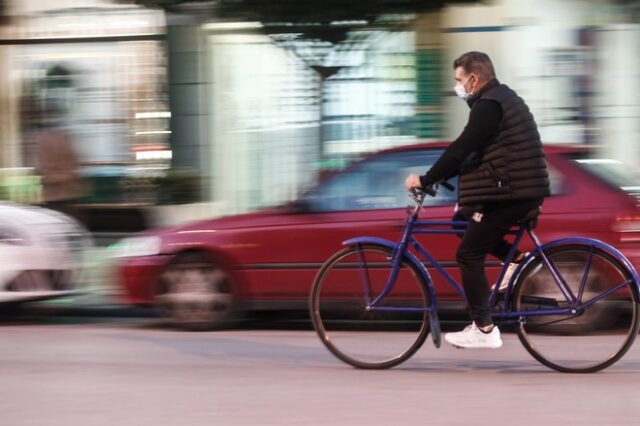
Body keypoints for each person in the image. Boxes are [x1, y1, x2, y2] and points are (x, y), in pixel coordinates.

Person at [404, 51, 550, 349]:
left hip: (512, 193)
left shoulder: (489, 106)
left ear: (474, 78)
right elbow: (474, 153)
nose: (458, 87)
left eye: (459, 80)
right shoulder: (500, 99)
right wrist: (445, 176)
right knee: (461, 219)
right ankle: (520, 260)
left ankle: (483, 328)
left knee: (468, 255)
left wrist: (426, 179)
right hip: (519, 189)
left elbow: (462, 147)